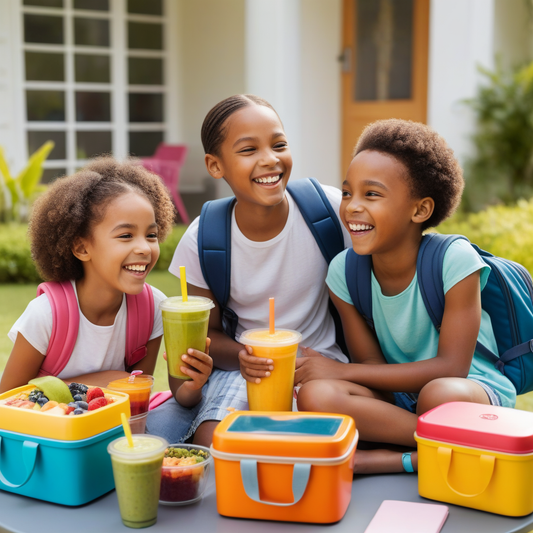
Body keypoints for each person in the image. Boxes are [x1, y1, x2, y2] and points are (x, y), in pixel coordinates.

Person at [295, 119, 516, 474]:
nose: (351, 207)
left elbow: (451, 367)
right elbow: (371, 365)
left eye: (372, 194)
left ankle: (395, 458)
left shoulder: (455, 261)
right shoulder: (344, 272)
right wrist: (334, 375)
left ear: (420, 210)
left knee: (438, 394)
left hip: (468, 392)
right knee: (315, 395)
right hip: (402, 400)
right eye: (348, 192)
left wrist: (340, 370)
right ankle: (438, 449)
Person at [146, 94, 351, 446]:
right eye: (248, 150)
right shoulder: (204, 239)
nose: (270, 160)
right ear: (215, 165)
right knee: (217, 439)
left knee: (315, 436)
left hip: (320, 364)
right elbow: (208, 335)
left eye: (279, 145)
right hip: (248, 370)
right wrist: (242, 356)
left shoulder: (329, 209)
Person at [0, 157, 213, 414]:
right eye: (126, 235)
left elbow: (137, 402)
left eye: (151, 235)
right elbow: (7, 402)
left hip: (115, 428)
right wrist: (105, 380)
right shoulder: (46, 315)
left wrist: (194, 382)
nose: (144, 248)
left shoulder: (152, 307)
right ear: (81, 247)